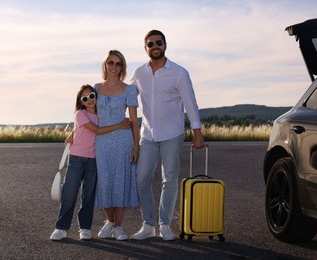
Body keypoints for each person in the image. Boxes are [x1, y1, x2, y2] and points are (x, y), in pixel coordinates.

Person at [130, 30, 204, 241]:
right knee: (142, 178)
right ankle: (148, 224)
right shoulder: (139, 73)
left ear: (165, 45)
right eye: (150, 44)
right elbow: (126, 96)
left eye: (158, 42)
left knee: (169, 179)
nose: (155, 46)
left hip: (172, 134)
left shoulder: (179, 73)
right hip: (148, 135)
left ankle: (164, 224)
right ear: (145, 48)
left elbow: (190, 103)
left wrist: (197, 132)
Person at [50, 84, 131, 241]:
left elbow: (94, 128)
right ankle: (61, 228)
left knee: (88, 196)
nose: (89, 100)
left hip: (94, 160)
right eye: (85, 98)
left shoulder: (101, 114)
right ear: (81, 101)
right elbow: (97, 130)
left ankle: (85, 228)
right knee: (69, 194)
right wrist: (119, 125)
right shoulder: (80, 113)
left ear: (96, 96)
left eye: (91, 96)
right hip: (76, 159)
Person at [94, 50, 140, 241]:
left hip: (123, 141)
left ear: (122, 67)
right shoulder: (96, 88)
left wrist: (136, 146)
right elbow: (87, 115)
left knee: (122, 182)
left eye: (118, 64)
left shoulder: (129, 89)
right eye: (110, 63)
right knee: (104, 182)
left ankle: (119, 227)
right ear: (105, 65)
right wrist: (74, 133)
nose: (114, 67)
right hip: (102, 142)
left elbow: (134, 121)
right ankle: (110, 221)